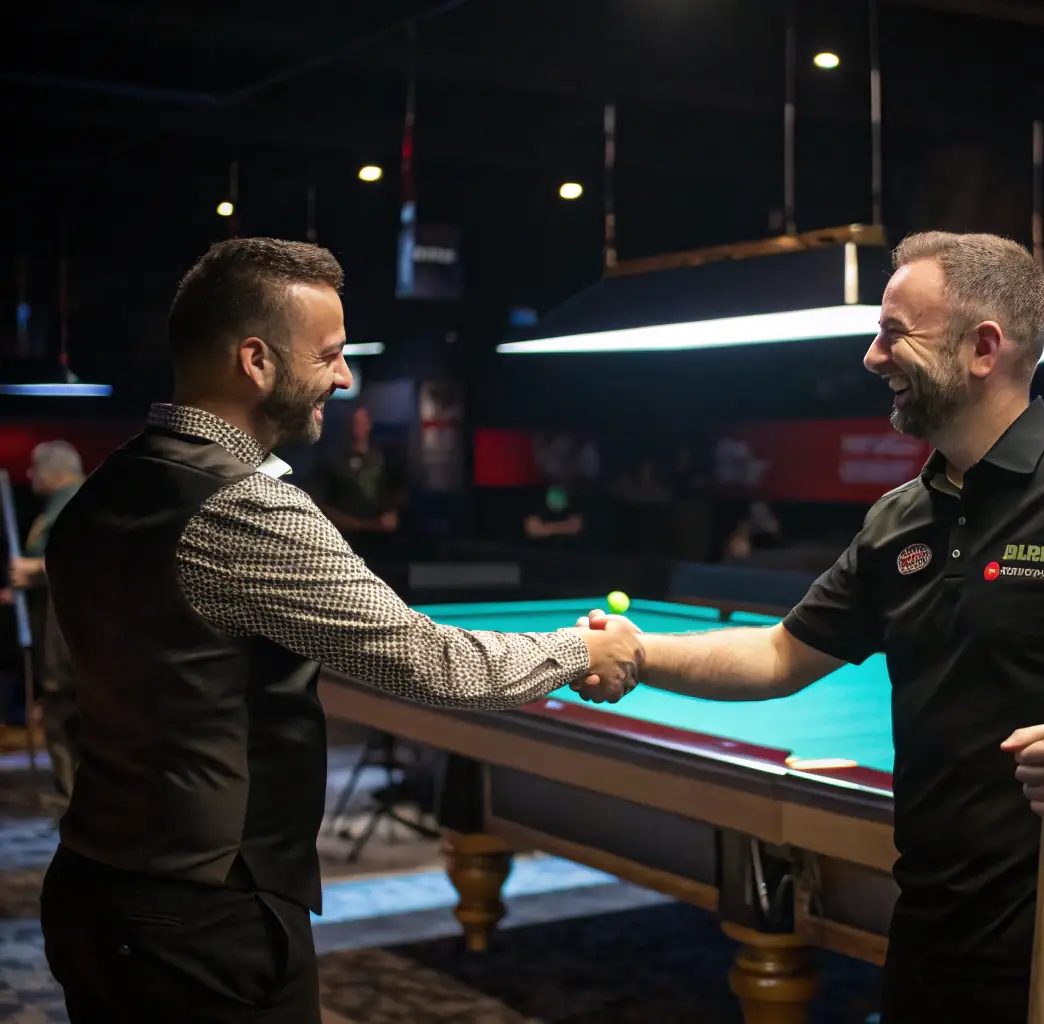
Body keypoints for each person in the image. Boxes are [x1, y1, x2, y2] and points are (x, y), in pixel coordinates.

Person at [573, 231, 1044, 1023]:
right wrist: (639, 652)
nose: (872, 357)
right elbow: (778, 655)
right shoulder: (898, 519)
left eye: (894, 333)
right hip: (928, 933)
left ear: (982, 349)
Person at [38, 237, 643, 1024]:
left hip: (97, 883)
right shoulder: (243, 505)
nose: (346, 377)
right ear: (256, 361)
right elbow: (429, 661)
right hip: (203, 919)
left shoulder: (106, 486)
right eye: (329, 354)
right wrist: (583, 649)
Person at [7, 441, 86, 813]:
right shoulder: (58, 506)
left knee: (69, 710)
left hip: (70, 632)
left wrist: (33, 570)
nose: (29, 475)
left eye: (34, 468)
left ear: (53, 471)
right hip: (53, 626)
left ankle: (79, 800)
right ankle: (70, 797)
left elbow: (81, 557)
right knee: (60, 712)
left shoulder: (79, 502)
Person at [314, 405, 401, 561]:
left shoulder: (381, 459)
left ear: (369, 425)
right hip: (345, 541)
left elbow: (393, 492)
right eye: (355, 422)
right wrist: (361, 525)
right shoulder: (335, 461)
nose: (358, 427)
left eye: (362, 422)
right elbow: (324, 506)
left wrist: (390, 514)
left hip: (378, 544)